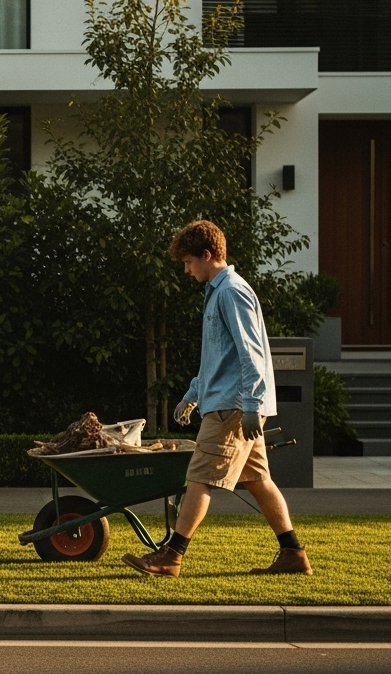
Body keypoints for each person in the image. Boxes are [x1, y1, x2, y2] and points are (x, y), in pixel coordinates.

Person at [123, 221, 312, 578]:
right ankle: (293, 554)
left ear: (208, 256)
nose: (186, 269)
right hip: (228, 402)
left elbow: (250, 353)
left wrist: (253, 405)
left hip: (233, 407)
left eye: (189, 262)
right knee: (257, 481)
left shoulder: (230, 292)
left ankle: (171, 557)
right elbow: (217, 356)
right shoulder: (218, 291)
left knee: (199, 478)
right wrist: (193, 394)